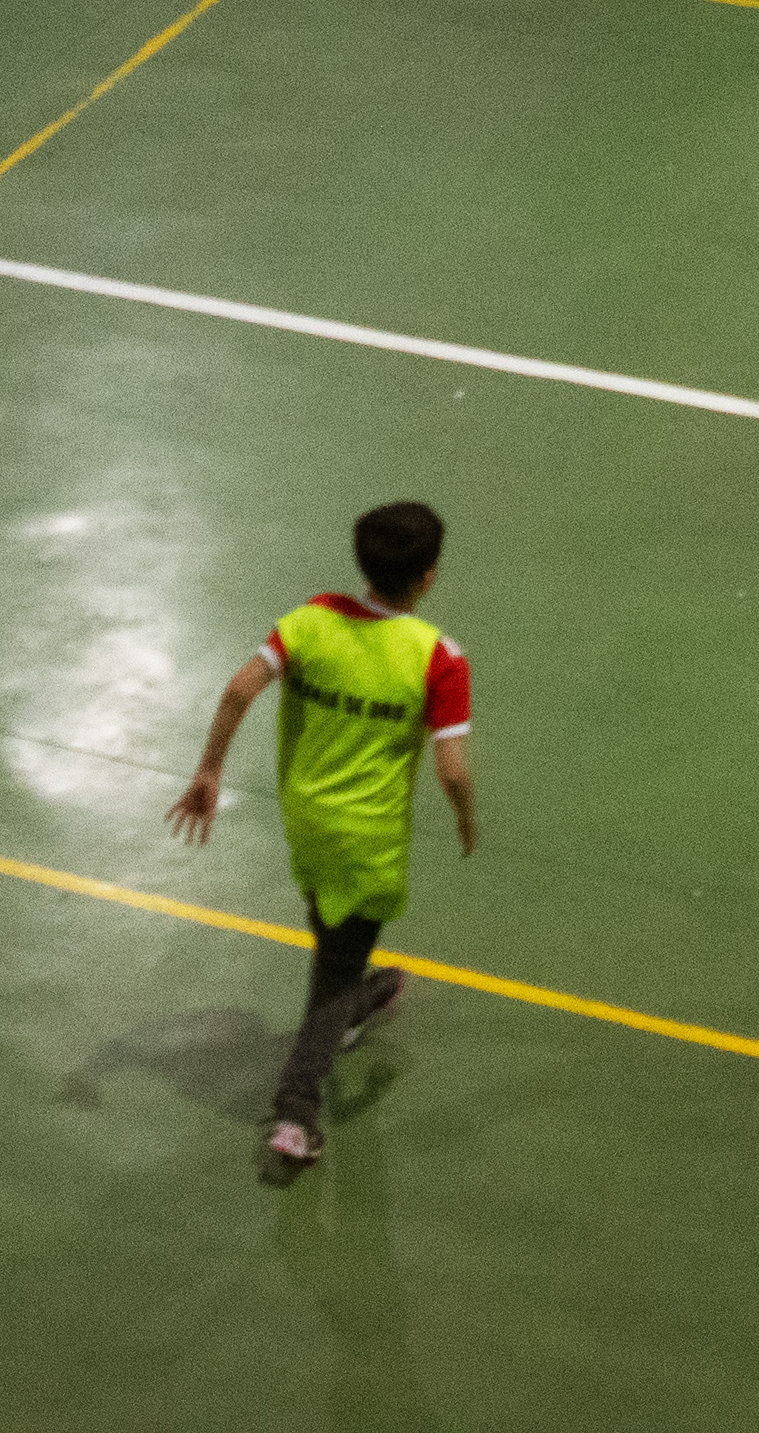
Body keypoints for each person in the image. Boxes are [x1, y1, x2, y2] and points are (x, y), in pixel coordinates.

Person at [165, 498, 480, 1184]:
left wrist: (210, 770)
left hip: (306, 823)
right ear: (428, 576)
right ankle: (296, 1111)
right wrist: (465, 816)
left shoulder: (310, 620)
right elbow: (453, 770)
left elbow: (239, 690)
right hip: (367, 844)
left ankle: (372, 995)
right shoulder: (440, 659)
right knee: (333, 977)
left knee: (340, 953)